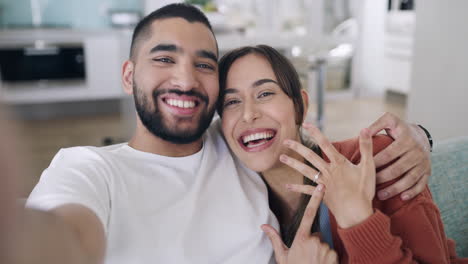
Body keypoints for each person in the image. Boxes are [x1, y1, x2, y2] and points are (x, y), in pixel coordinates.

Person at [4, 3, 431, 263]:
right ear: (129, 75)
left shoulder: (237, 148)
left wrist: (414, 137)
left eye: (205, 64)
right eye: (164, 58)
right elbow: (68, 237)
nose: (186, 79)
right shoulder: (87, 168)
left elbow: (331, 158)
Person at [217, 44, 466, 263]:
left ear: (300, 107)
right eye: (232, 102)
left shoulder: (379, 161)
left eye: (265, 94)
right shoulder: (238, 203)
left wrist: (358, 221)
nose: (248, 114)